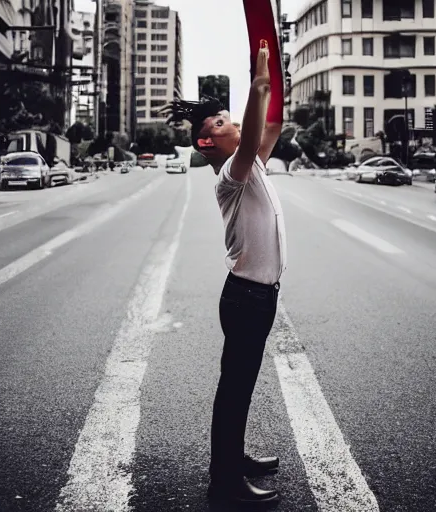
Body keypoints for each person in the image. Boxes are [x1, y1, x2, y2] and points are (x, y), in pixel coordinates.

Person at [160, 42, 286, 507]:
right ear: (206, 143)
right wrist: (256, 83)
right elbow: (253, 137)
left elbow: (270, 124)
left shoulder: (253, 166)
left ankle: (234, 458)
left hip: (260, 296)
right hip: (246, 298)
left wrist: (274, 81)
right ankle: (225, 483)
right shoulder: (230, 176)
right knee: (233, 390)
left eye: (230, 116)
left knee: (241, 386)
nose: (229, 121)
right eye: (220, 122)